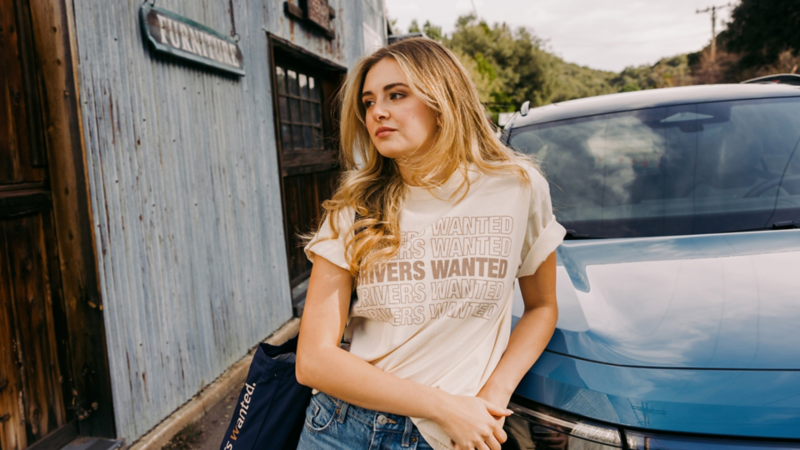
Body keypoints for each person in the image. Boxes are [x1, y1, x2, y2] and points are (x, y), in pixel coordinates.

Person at [295, 37, 566, 450]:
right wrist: (443, 407)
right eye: (368, 102)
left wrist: (490, 400)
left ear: (443, 100)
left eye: (396, 94)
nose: (377, 112)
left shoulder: (518, 188)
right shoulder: (355, 207)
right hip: (342, 427)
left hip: (453, 437)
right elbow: (313, 360)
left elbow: (542, 307)